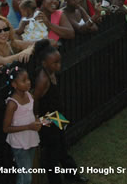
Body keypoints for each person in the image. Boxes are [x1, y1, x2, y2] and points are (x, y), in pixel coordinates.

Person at [33, 39, 87, 184]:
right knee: (52, 152)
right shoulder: (43, 79)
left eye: (59, 61)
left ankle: (72, 176)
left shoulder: (52, 73)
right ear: (44, 63)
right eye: (55, 63)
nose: (58, 65)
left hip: (56, 115)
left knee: (63, 146)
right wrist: (37, 118)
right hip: (47, 118)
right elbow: (35, 99)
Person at [3, 65, 41, 184]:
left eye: (28, 79)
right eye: (24, 81)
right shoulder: (12, 104)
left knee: (27, 172)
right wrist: (28, 127)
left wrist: (37, 120)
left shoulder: (29, 96)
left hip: (31, 138)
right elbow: (6, 128)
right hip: (19, 143)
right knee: (26, 176)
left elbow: (32, 113)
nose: (28, 82)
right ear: (14, 84)